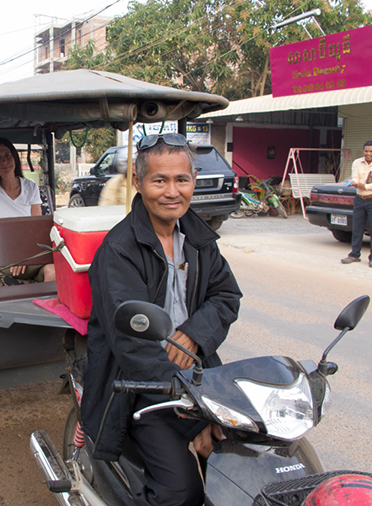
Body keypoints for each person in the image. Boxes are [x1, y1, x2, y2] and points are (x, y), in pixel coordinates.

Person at [81, 133, 242, 506]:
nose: (172, 191)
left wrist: (193, 334)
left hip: (197, 374)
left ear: (193, 181)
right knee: (179, 493)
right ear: (139, 183)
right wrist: (200, 413)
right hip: (140, 386)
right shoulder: (118, 251)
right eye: (160, 180)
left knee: (249, 464)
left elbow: (226, 295)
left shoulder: (199, 239)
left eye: (181, 180)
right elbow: (132, 341)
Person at [0, 137, 55, 282]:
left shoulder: (31, 187)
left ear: (14, 157)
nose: (4, 162)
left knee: (52, 270)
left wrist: (24, 255)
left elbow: (36, 229)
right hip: (4, 254)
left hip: (31, 253)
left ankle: (45, 304)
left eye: (7, 156)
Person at [340, 140, 372, 268]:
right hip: (360, 199)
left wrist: (365, 186)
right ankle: (354, 254)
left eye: (371, 151)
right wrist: (354, 182)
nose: (368, 153)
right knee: (357, 227)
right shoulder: (357, 162)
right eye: (366, 151)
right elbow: (356, 177)